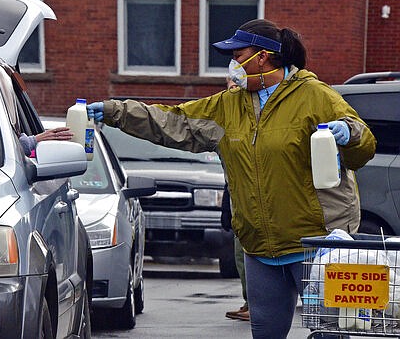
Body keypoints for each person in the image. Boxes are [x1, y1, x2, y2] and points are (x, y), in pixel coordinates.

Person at [86, 18, 376, 338]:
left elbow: (363, 148)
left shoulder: (315, 96)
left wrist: (349, 133)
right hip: (260, 249)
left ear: (262, 57)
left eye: (238, 55)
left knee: (329, 334)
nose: (232, 63)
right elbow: (173, 122)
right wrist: (117, 112)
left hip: (317, 244)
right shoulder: (228, 105)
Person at [221, 182, 250, 322]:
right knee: (241, 259)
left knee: (248, 260)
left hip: (250, 214)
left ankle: (255, 306)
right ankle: (250, 303)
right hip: (239, 214)